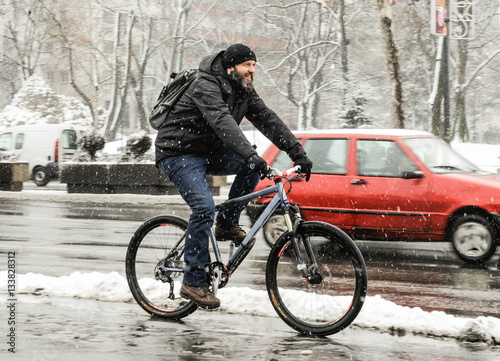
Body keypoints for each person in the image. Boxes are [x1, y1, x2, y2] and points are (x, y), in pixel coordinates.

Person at [155, 43, 313, 309]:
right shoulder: (204, 85)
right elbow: (222, 123)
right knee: (204, 208)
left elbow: (267, 119)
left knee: (249, 166)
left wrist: (298, 152)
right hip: (177, 152)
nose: (251, 70)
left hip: (208, 151)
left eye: (253, 65)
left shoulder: (242, 89)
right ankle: (193, 281)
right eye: (246, 65)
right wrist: (252, 155)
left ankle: (226, 224)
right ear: (231, 68)